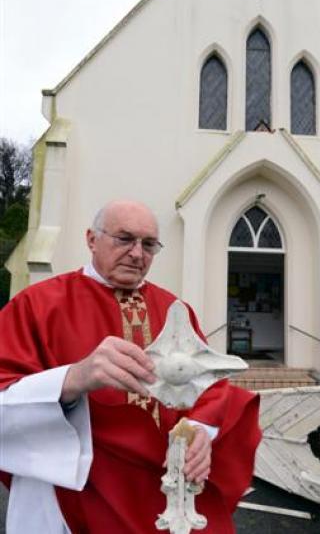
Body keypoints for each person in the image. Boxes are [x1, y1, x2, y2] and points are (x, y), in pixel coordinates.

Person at [0, 200, 261, 533]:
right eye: (124, 239)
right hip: (73, 492)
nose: (138, 254)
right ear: (91, 239)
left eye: (149, 244)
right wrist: (73, 378)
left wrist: (200, 431)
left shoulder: (174, 310)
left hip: (164, 488)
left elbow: (210, 385)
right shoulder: (37, 304)